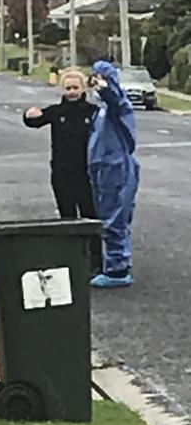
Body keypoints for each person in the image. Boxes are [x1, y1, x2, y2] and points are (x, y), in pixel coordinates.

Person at [87, 60, 140, 288]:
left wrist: (105, 88)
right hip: (103, 167)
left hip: (116, 167)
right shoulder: (101, 111)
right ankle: (114, 264)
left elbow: (115, 99)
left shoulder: (118, 105)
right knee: (107, 216)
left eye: (100, 77)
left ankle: (118, 269)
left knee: (115, 216)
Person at [23, 68, 98, 220]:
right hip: (62, 172)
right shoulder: (56, 112)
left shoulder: (92, 112)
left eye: (75, 87)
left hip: (86, 172)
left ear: (83, 88)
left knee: (90, 215)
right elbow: (34, 121)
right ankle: (70, 244)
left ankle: (92, 244)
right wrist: (29, 114)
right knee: (67, 216)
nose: (72, 92)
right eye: (68, 88)